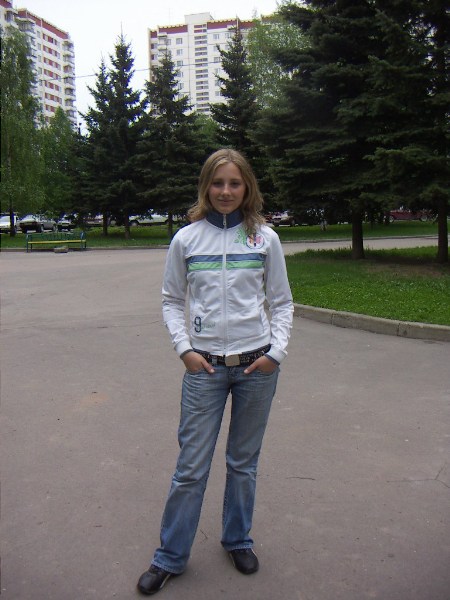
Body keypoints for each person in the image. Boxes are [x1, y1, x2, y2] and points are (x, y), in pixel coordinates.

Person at [137, 148, 293, 596]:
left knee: (243, 463)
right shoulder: (187, 239)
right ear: (206, 187)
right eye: (218, 183)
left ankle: (237, 539)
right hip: (203, 368)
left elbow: (281, 301)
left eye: (234, 183)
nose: (226, 191)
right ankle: (170, 557)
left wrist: (276, 352)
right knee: (191, 467)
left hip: (256, 367)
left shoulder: (264, 239)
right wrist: (184, 349)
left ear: (247, 188)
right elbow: (172, 300)